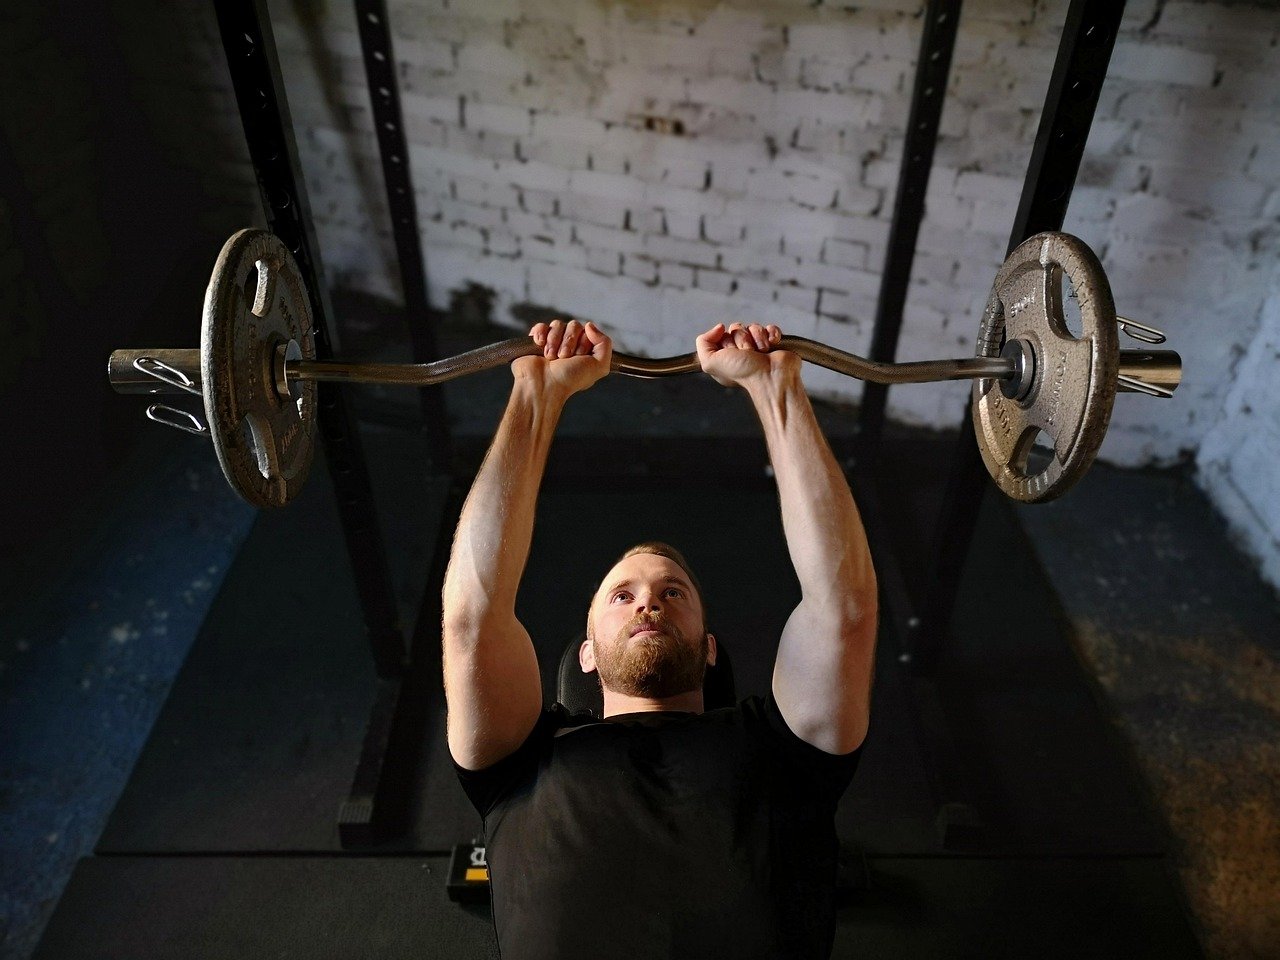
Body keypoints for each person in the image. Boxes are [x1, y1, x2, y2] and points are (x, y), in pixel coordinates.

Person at [442, 318, 878, 960]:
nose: (649, 598)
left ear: (709, 646)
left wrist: (774, 386)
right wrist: (535, 393)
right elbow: (472, 616)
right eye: (622, 595)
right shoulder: (522, 761)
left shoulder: (785, 753)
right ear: (585, 653)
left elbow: (842, 609)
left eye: (674, 592)